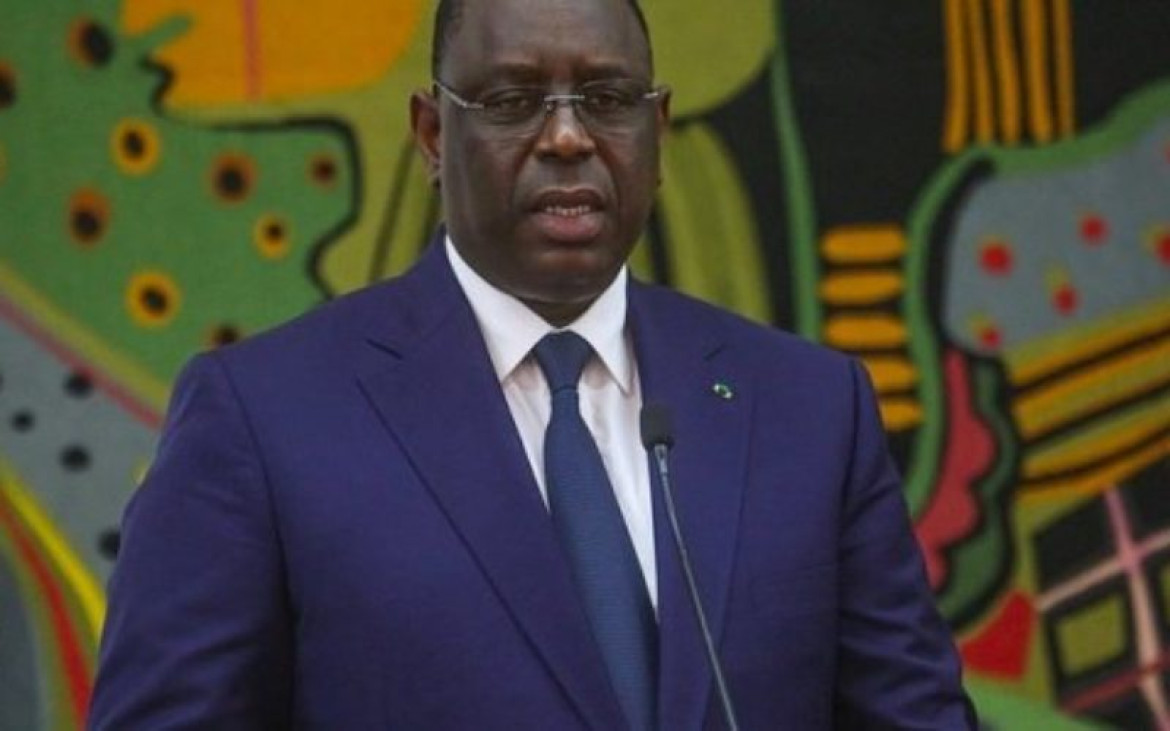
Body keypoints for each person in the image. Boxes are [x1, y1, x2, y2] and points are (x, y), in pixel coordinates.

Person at [89, 0, 977, 728]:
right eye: (514, 100)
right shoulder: (265, 419)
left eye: (608, 97)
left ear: (658, 130)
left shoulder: (809, 408)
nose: (567, 137)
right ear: (432, 136)